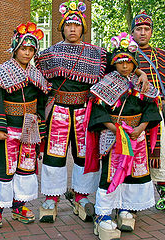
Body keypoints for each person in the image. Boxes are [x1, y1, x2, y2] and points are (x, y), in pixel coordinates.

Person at [35, 0, 149, 223]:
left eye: (77, 25)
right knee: (53, 156)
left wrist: (139, 71)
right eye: (68, 25)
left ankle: (81, 196)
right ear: (62, 28)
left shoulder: (98, 54)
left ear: (83, 28)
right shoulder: (48, 54)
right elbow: (36, 78)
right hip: (57, 111)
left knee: (83, 155)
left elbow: (120, 59)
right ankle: (51, 199)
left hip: (84, 113)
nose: (72, 29)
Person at [89, 33, 161, 240]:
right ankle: (102, 214)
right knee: (110, 174)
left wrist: (141, 128)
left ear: (134, 64)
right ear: (114, 64)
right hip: (113, 136)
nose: (124, 66)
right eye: (119, 63)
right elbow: (98, 111)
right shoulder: (105, 83)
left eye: (128, 62)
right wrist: (115, 129)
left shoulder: (141, 84)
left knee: (131, 173)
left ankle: (124, 209)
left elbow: (150, 107)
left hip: (136, 136)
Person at [0, 22, 51, 228]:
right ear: (15, 48)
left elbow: (41, 101)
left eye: (31, 49)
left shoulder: (37, 75)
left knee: (26, 167)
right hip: (8, 128)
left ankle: (19, 205)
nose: (27, 53)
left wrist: (39, 121)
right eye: (23, 48)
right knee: (5, 168)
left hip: (29, 128)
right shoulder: (1, 73)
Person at [131, 10, 165, 210]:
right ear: (132, 32)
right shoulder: (125, 53)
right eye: (138, 29)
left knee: (160, 154)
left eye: (146, 29)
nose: (143, 32)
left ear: (151, 32)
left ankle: (162, 193)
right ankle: (132, 197)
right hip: (132, 113)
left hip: (156, 112)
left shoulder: (160, 55)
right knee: (134, 154)